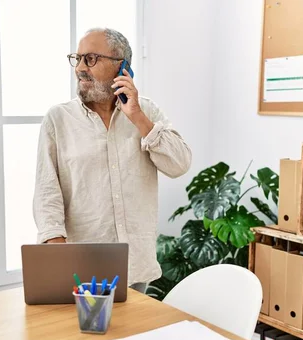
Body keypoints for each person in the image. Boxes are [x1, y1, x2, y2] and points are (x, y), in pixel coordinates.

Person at [33, 28, 191, 293]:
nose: (80, 68)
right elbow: (47, 191)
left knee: (132, 335)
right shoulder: (58, 120)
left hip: (135, 265)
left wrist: (138, 117)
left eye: (91, 59)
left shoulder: (146, 111)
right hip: (80, 268)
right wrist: (57, 254)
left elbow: (179, 164)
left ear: (123, 67)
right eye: (78, 58)